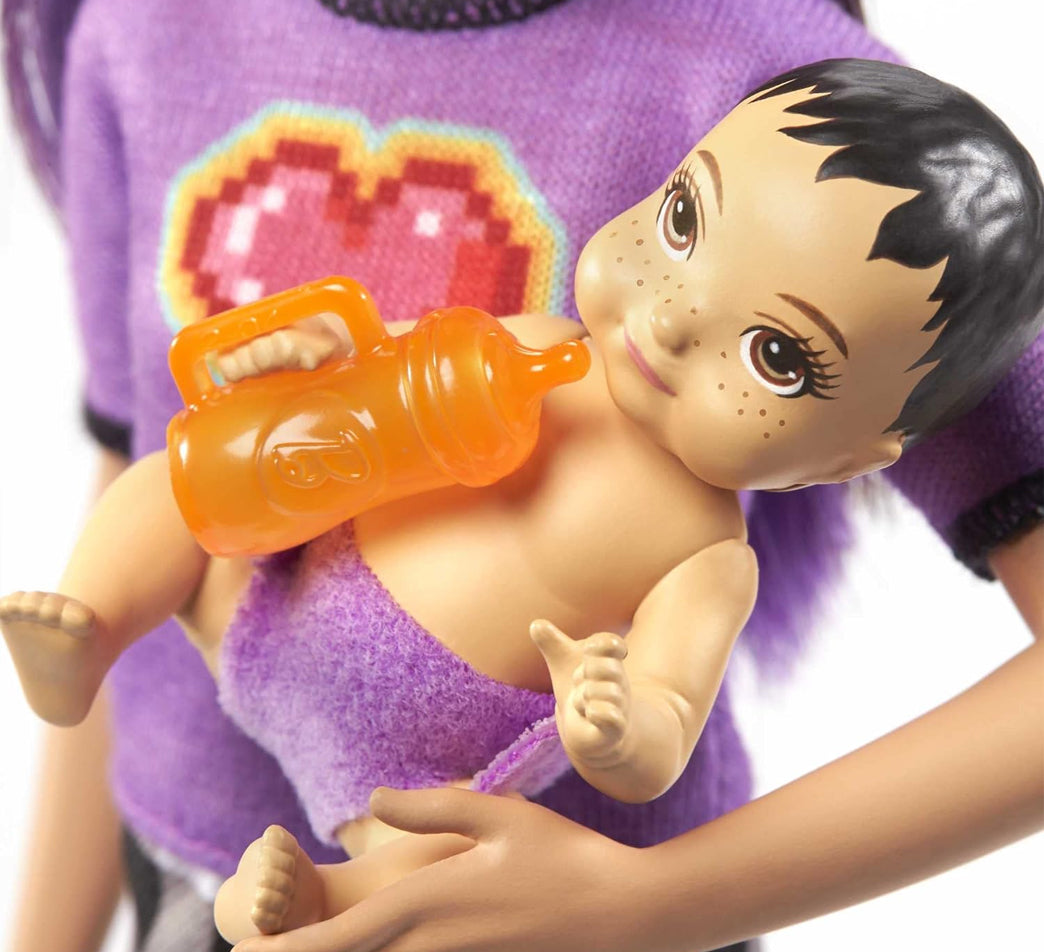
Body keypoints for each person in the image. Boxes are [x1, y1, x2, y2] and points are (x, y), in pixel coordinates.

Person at [2, 1, 1040, 950]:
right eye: (681, 219)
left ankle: (320, 892)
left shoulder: (824, 112)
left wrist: (654, 875)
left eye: (776, 355)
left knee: (417, 848)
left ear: (852, 461)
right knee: (167, 488)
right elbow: (165, 437)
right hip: (199, 787)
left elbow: (662, 711)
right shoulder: (137, 29)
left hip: (500, 895)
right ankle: (94, 632)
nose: (673, 317)